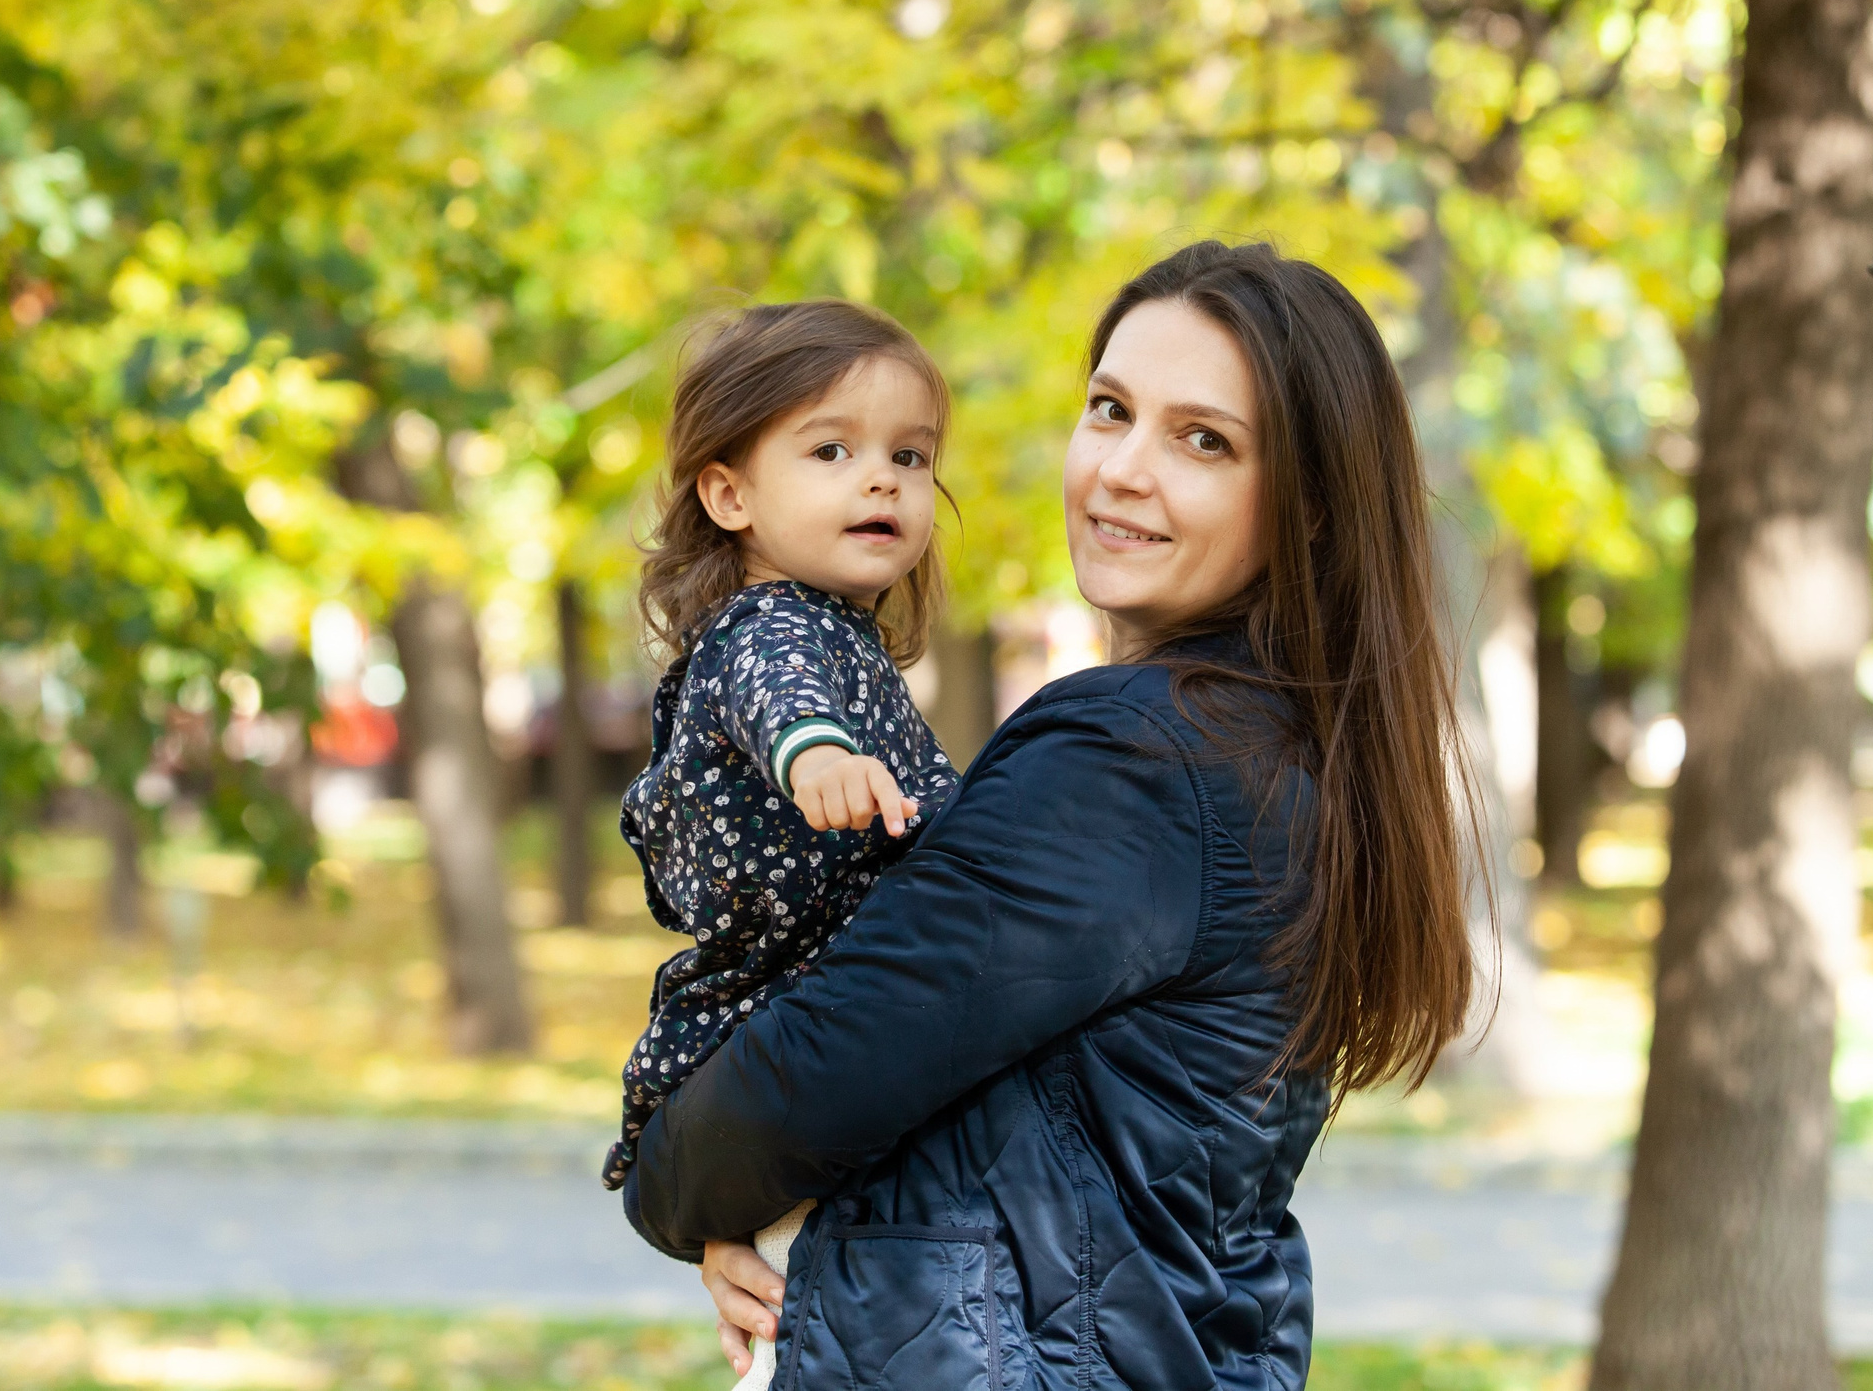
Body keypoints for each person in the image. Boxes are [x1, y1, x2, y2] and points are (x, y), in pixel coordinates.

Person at [624, 241, 1481, 1389]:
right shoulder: (1278, 746)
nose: (1122, 469)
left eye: (1203, 440)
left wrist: (670, 1186)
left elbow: (821, 1070)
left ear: (1312, 509)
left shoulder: (1135, 758)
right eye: (1110, 409)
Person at [605, 301, 966, 1388]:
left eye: (910, 456)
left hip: (814, 1051)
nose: (882, 480)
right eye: (832, 449)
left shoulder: (843, 640)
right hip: (766, 1016)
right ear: (729, 494)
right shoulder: (768, 630)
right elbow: (781, 701)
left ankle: (741, 1248)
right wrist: (815, 758)